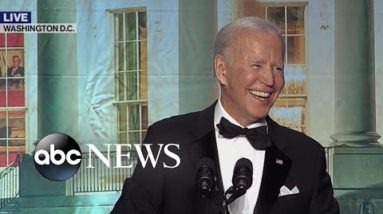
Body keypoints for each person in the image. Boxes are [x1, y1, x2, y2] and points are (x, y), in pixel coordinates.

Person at [111, 17, 339, 214]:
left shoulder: (307, 155)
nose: (270, 80)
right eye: (256, 65)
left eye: (277, 68)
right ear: (222, 69)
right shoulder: (167, 139)